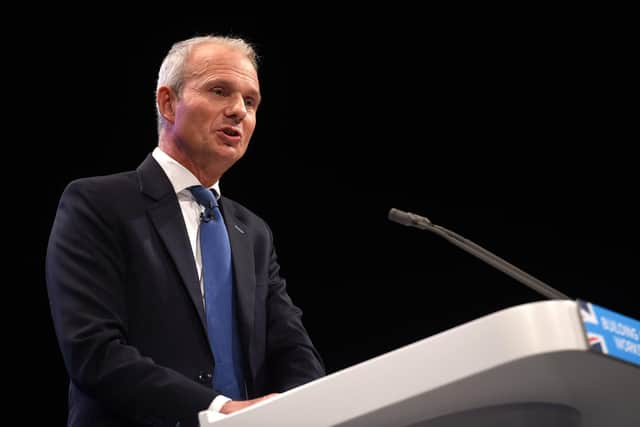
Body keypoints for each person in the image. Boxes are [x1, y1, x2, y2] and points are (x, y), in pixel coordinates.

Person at [45, 35, 325, 427]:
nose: (238, 111)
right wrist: (216, 411)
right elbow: (93, 350)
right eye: (219, 90)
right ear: (167, 102)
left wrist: (312, 406)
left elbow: (291, 345)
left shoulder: (253, 233)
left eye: (251, 102)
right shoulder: (98, 204)